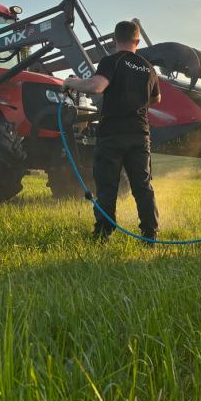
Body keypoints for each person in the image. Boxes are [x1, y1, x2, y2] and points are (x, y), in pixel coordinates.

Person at [63, 20, 160, 240]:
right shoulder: (148, 67)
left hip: (113, 134)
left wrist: (71, 82)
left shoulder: (111, 61)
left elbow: (96, 86)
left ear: (115, 39)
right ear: (137, 41)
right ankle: (150, 235)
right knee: (143, 187)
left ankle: (103, 233)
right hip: (140, 134)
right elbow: (157, 98)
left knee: (107, 187)